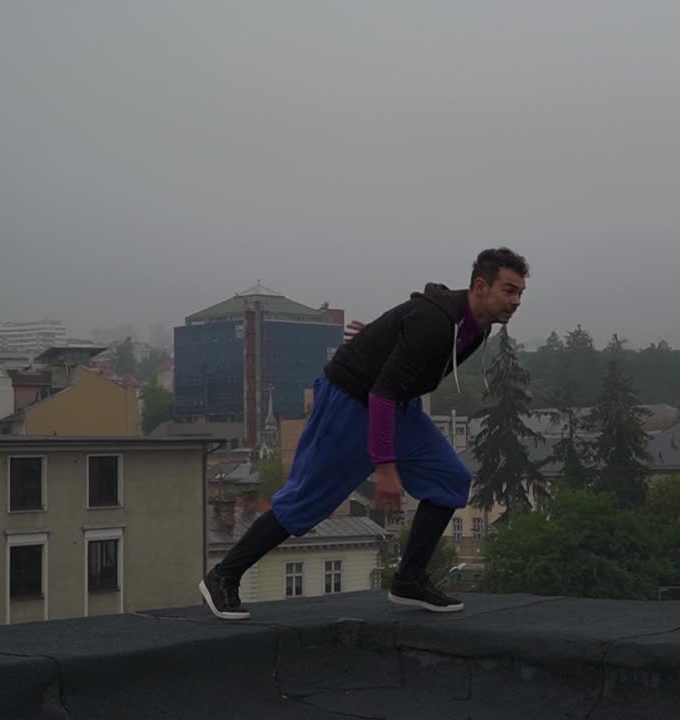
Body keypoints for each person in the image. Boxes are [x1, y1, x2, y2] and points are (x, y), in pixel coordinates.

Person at [199, 248, 529, 619]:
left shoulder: (479, 325)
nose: (516, 301)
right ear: (481, 286)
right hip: (352, 401)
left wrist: (375, 337)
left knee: (450, 479)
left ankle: (409, 580)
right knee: (305, 502)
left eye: (520, 293)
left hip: (400, 404)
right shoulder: (435, 321)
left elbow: (401, 341)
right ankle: (223, 576)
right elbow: (383, 390)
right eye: (509, 290)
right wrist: (385, 468)